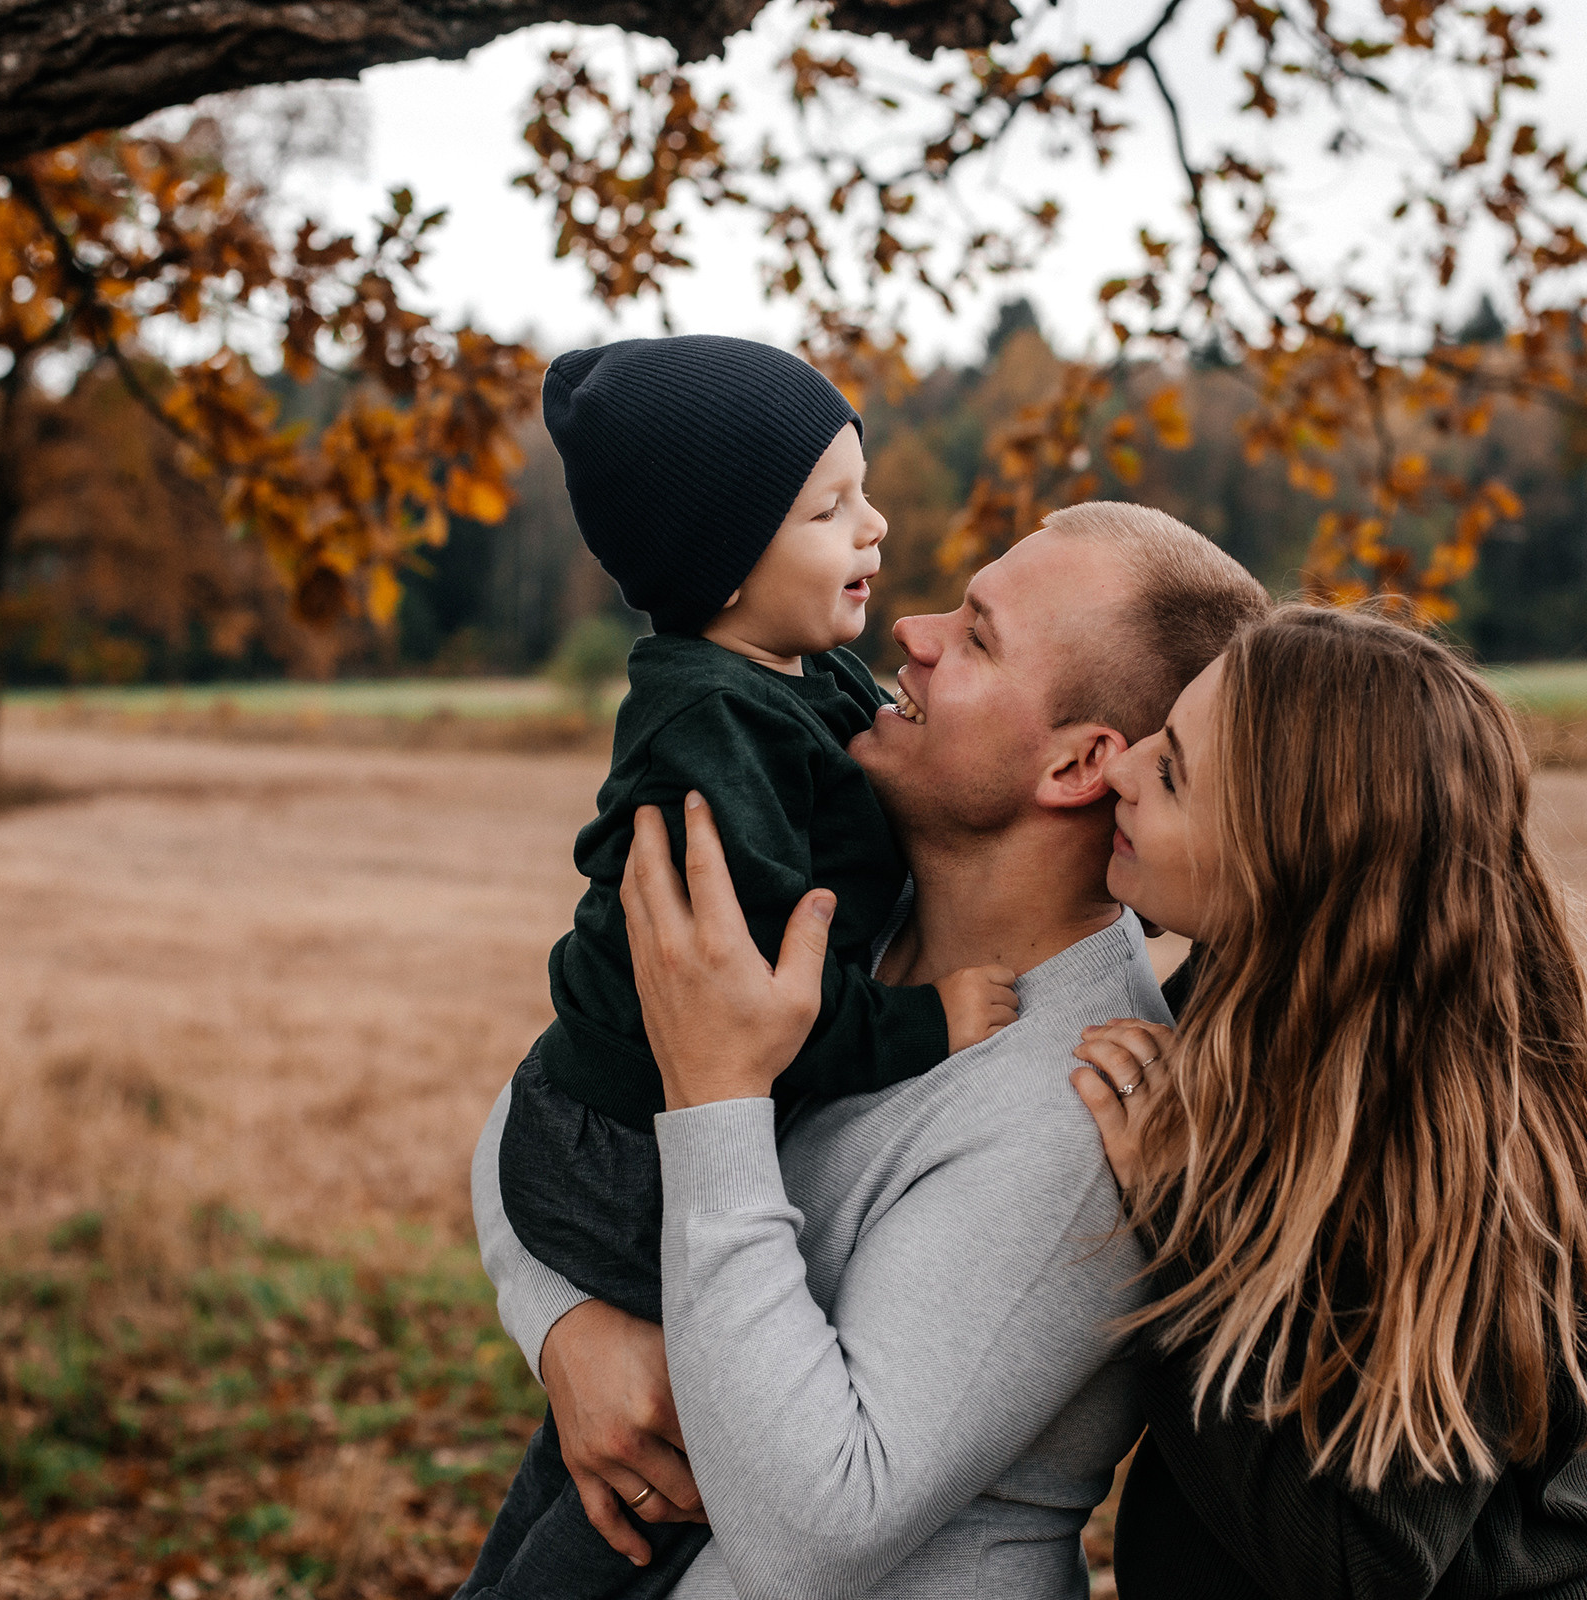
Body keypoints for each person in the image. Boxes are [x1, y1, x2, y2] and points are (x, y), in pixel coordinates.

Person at [465, 504, 1274, 1598]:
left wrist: (716, 1097)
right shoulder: (854, 912)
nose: (912, 632)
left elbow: (817, 1532)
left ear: (1081, 764)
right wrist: (567, 1324)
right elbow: (554, 1105)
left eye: (977, 636)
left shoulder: (1083, 1098)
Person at [475, 333, 1021, 1600]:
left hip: (606, 1115)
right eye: (831, 508)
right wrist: (932, 1025)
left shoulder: (797, 674)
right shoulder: (711, 738)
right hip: (606, 1148)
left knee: (617, 1438)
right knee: (678, 1448)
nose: (875, 525)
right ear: (722, 567)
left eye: (862, 489)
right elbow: (766, 1009)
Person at [1066, 603, 1587, 1600]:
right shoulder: (1249, 997)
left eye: (1172, 772)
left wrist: (1174, 1210)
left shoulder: (1469, 1179)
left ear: (1293, 864)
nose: (1118, 768)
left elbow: (1356, 1567)